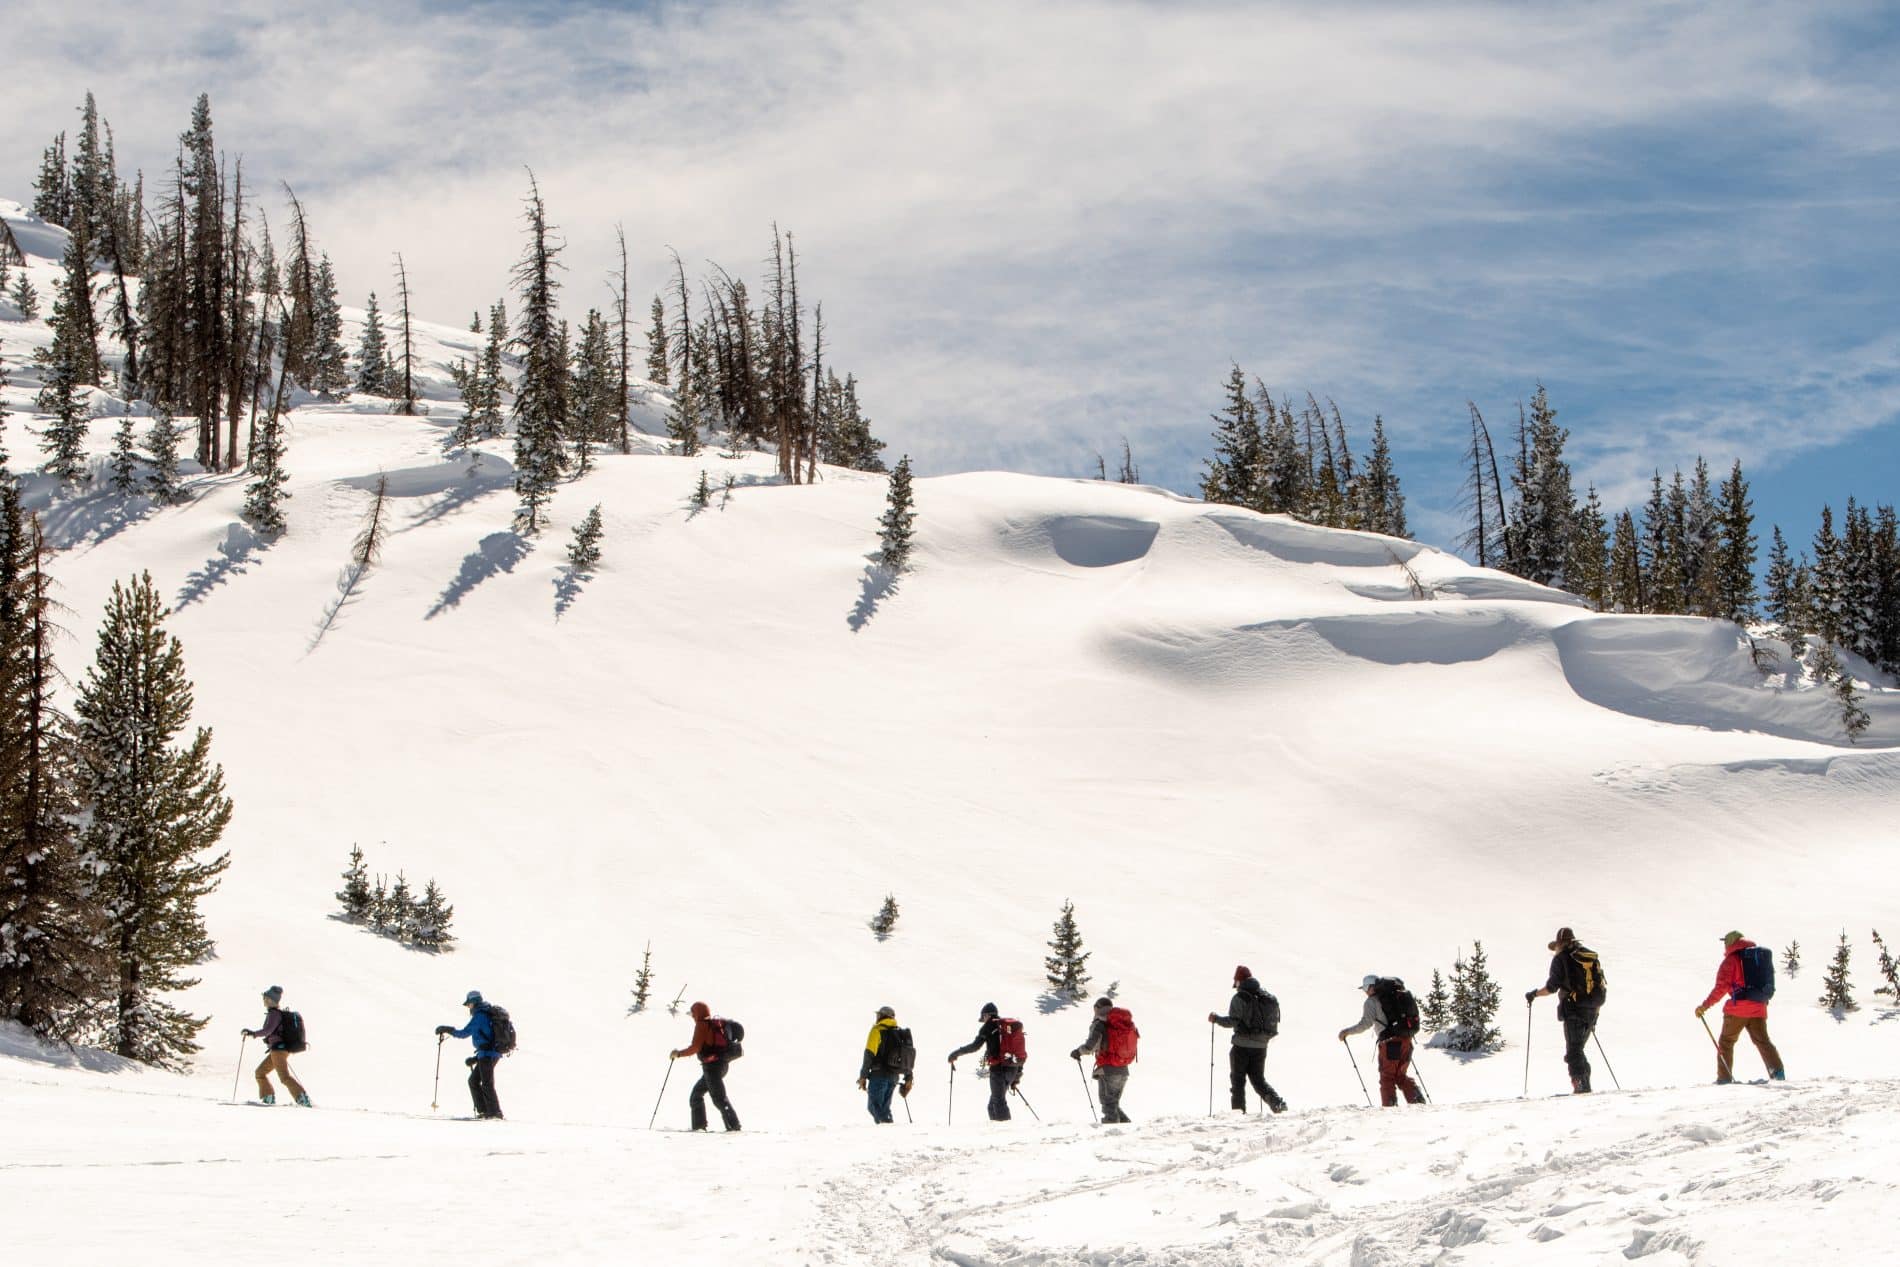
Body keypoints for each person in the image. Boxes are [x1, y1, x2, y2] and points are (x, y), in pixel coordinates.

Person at [1697, 930, 1786, 1084]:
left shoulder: (1730, 961)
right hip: (1759, 1007)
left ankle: (1724, 1079)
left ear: (1730, 943)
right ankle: (1777, 1072)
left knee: (1726, 1042)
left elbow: (1721, 988)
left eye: (1726, 942)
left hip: (1737, 1010)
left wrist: (1704, 1006)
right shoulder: (1756, 958)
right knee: (1763, 1041)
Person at [1526, 926, 1605, 1094]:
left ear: (1560, 944)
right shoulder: (1588, 958)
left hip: (1573, 1010)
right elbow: (1600, 986)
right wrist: (1595, 1013)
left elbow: (1551, 987)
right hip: (1592, 1010)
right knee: (1578, 1050)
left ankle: (1581, 1086)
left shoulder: (1561, 959)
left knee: (1573, 1051)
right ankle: (1584, 1084)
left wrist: (1534, 994)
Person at [1208, 965, 1288, 1114]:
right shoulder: (1264, 996)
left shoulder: (1240, 998)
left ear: (1239, 981)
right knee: (1258, 1080)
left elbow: (1232, 1021)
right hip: (1261, 1046)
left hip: (1241, 1046)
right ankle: (1278, 1104)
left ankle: (1238, 1114)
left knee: (1238, 1082)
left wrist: (1216, 1019)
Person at [1338, 974, 1424, 1107]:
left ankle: (1389, 1109)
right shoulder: (1394, 997)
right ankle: (1418, 1102)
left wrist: (1347, 1032)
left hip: (1390, 1044)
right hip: (1406, 1039)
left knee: (1387, 1077)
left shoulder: (1371, 1002)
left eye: (1365, 988)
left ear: (1371, 987)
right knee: (1400, 1075)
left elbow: (1365, 1024)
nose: (1365, 992)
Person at [672, 1001, 741, 1132]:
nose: (692, 1016)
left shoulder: (702, 1025)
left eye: (693, 1013)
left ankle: (734, 1127)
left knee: (718, 1099)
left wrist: (679, 1054)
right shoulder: (713, 1023)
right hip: (721, 1065)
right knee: (697, 1095)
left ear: (698, 1012)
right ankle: (700, 1127)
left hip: (712, 1068)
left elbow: (695, 1047)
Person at [434, 989, 504, 1119]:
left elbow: (464, 1033)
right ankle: (485, 1111)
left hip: (488, 1053)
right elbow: (487, 1038)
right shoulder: (484, 1014)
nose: (468, 1007)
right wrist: (476, 1058)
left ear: (474, 1002)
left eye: (469, 1004)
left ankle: (495, 1113)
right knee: (474, 1081)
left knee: (486, 1083)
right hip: (486, 1053)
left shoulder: (480, 1016)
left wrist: (448, 1029)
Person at [948, 1002, 1020, 1121]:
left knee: (997, 1104)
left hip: (998, 1070)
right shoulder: (1006, 1027)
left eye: (983, 1017)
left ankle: (1005, 1130)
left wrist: (956, 1054)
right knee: (993, 1105)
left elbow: (975, 1046)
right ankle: (997, 1129)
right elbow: (1018, 1051)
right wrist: (1016, 1077)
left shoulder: (988, 1026)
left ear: (987, 1015)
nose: (984, 1020)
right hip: (1012, 1069)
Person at [241, 985, 310, 1106]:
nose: (264, 1000)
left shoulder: (274, 1014)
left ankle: (301, 1098)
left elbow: (268, 1030)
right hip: (278, 1050)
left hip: (279, 1050)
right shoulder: (275, 1013)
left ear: (270, 1000)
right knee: (260, 1073)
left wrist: (253, 1033)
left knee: (284, 1077)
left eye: (265, 998)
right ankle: (268, 1097)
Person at [1071, 996, 1136, 1123]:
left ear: (1097, 1008)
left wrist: (1078, 1052)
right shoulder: (1120, 1024)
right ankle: (1126, 1126)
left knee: (1108, 1103)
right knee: (1113, 1104)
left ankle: (1111, 1127)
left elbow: (1090, 1046)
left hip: (1108, 1069)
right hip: (1123, 1069)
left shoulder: (1099, 1024)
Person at [856, 1005, 914, 1124]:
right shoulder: (899, 1033)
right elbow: (906, 1059)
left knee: (874, 1107)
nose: (877, 1017)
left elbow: (869, 1055)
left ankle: (887, 1127)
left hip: (879, 1075)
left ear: (882, 1016)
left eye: (878, 1015)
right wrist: (908, 1077)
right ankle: (888, 1127)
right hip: (894, 1077)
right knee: (884, 1109)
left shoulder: (877, 1030)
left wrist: (863, 1076)